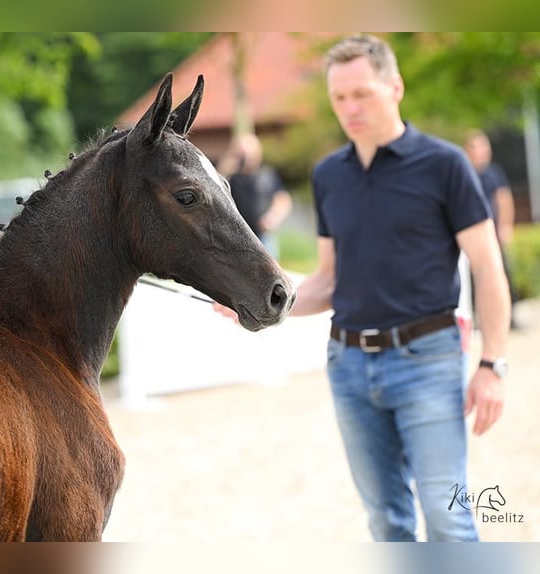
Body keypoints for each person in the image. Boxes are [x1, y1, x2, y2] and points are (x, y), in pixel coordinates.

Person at [216, 35, 511, 541]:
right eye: (339, 98)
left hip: (429, 361)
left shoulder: (445, 165)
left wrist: (492, 365)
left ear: (394, 86)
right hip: (350, 368)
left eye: (362, 95)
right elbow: (329, 280)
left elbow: (487, 266)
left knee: (448, 516)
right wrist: (265, 305)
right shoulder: (330, 176)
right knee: (386, 522)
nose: (349, 109)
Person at [463, 129, 521, 328]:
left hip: (492, 234)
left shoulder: (493, 172)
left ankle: (510, 317)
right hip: (469, 236)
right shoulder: (463, 171)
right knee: (472, 279)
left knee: (503, 273)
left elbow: (503, 199)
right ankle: (476, 320)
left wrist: (505, 226)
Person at [217, 133, 292, 258]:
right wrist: (225, 167)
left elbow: (283, 199)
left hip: (263, 237)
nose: (247, 157)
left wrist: (274, 217)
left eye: (250, 153)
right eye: (242, 153)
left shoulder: (267, 174)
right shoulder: (230, 176)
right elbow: (214, 191)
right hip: (236, 236)